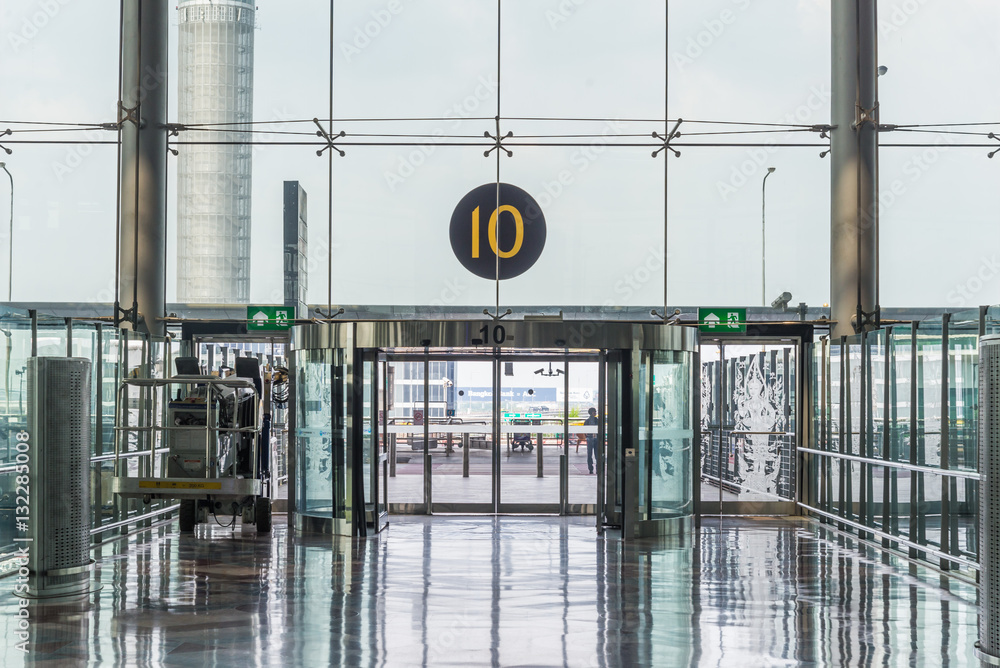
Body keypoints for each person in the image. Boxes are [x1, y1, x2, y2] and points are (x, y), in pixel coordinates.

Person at [584, 407, 598, 474]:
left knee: (589, 454)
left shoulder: (587, 421)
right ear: (591, 413)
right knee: (597, 454)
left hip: (589, 438)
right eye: (594, 412)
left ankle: (591, 469)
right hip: (596, 439)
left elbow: (585, 432)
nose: (595, 413)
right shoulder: (597, 420)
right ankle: (598, 468)